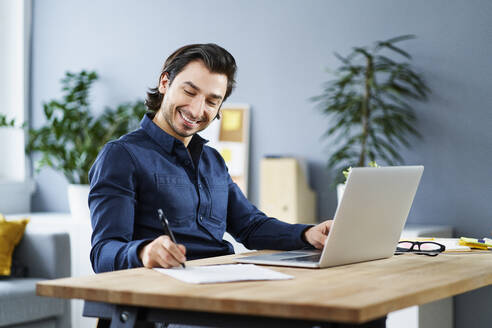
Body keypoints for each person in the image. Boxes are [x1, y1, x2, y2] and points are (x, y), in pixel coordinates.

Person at [89, 43, 333, 272]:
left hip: (222, 282)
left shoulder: (212, 160)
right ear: (165, 82)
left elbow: (250, 226)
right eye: (189, 92)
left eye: (211, 101)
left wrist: (307, 234)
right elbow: (103, 253)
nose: (197, 110)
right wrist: (143, 252)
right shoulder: (121, 155)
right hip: (165, 298)